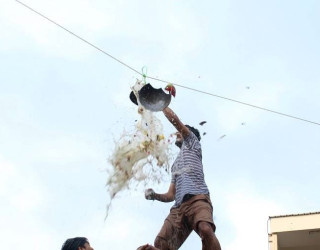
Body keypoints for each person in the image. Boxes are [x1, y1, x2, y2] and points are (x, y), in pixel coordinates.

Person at [138, 107, 221, 250]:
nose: (177, 133)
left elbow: (176, 122)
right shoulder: (175, 165)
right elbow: (171, 195)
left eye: (181, 132)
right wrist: (155, 195)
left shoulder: (193, 144)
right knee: (161, 242)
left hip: (198, 199)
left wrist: (161, 105)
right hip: (179, 207)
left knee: (206, 229)